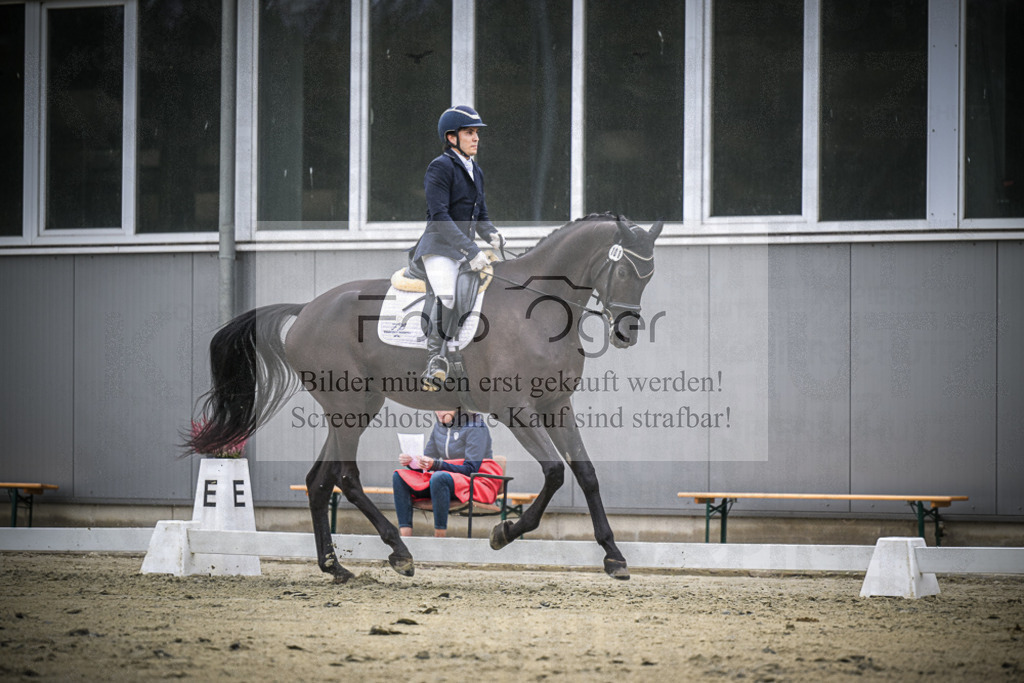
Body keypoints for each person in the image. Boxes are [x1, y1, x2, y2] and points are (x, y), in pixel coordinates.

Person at [409, 105, 506, 390]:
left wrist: (493, 235)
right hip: (438, 247)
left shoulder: (475, 169)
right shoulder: (439, 167)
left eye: (476, 133)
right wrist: (471, 250)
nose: (476, 138)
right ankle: (435, 359)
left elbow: (481, 216)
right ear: (452, 138)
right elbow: (440, 217)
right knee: (449, 295)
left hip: (462, 249)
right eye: (469, 133)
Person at [392, 408, 502, 537]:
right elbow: (427, 460)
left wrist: (437, 465)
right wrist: (412, 461)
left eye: (444, 408)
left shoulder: (476, 426)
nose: (439, 412)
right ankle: (405, 537)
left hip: (476, 481)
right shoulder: (439, 427)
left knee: (439, 477)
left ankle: (440, 537)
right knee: (399, 476)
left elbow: (471, 469)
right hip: (446, 480)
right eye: (436, 408)